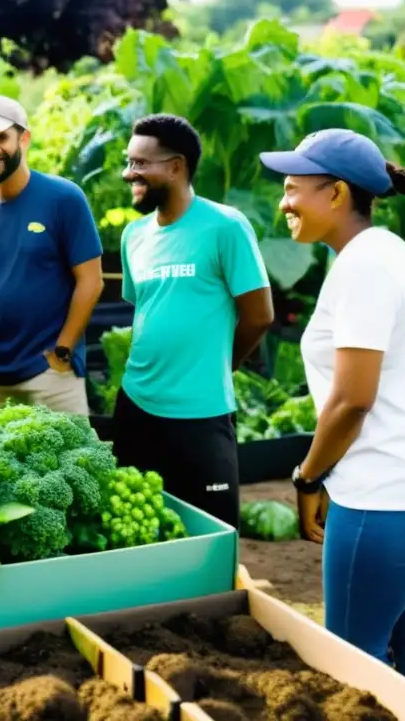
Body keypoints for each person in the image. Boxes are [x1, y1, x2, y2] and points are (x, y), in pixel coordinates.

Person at [260, 128, 405, 696]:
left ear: (338, 194)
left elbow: (352, 400)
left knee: (348, 665)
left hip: (381, 499)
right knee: (402, 638)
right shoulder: (382, 252)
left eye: (295, 188)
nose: (284, 202)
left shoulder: (365, 268)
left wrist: (307, 476)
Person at [111, 114, 274, 529]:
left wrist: (219, 364)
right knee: (134, 530)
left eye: (141, 164)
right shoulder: (134, 235)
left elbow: (260, 316)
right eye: (129, 162)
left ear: (177, 166)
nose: (130, 173)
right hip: (135, 408)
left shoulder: (225, 226)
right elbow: (148, 310)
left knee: (212, 536)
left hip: (201, 415)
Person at [0, 94, 103, 415]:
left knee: (75, 462)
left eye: (0, 138)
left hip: (50, 375)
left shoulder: (64, 198)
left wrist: (62, 354)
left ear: (24, 139)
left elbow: (91, 282)